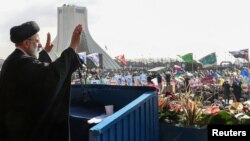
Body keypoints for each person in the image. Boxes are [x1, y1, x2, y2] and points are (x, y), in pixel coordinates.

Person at [0, 21, 83, 141]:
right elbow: (51, 75)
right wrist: (72, 48)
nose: (40, 45)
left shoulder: (13, 60)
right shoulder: (22, 62)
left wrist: (44, 53)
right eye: (37, 41)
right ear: (27, 43)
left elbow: (37, 73)